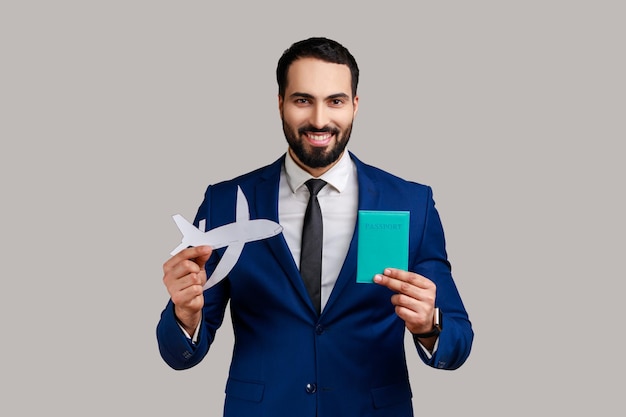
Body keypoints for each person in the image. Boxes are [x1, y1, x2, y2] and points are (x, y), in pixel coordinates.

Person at [157, 37, 473, 417]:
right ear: (280, 104)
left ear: (355, 106)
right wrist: (184, 315)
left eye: (335, 101)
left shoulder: (410, 203)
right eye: (303, 100)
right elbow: (179, 354)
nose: (320, 120)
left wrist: (429, 325)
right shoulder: (225, 202)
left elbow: (458, 341)